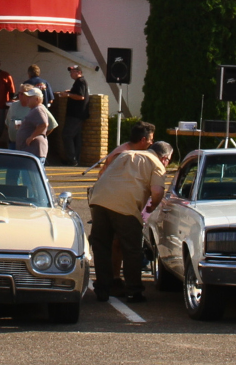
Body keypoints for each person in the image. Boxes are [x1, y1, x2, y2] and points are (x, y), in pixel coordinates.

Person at [88, 140, 172, 303]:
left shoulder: (125, 154)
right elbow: (157, 190)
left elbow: (104, 170)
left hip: (98, 200)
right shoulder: (157, 164)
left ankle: (103, 288)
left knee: (102, 246)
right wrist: (152, 206)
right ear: (165, 158)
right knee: (132, 249)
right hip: (126, 206)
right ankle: (133, 290)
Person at [6, 83, 57, 151]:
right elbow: (8, 123)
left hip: (27, 146)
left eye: (22, 94)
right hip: (13, 144)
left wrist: (34, 137)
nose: (19, 96)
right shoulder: (13, 105)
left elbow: (51, 125)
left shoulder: (37, 108)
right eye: (19, 93)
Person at [57, 65, 89, 166]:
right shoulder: (79, 82)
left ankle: (72, 160)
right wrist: (69, 92)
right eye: (70, 72)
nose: (71, 74)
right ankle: (75, 160)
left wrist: (68, 95)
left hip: (76, 115)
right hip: (77, 114)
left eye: (73, 71)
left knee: (67, 135)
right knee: (76, 137)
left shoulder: (80, 81)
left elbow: (81, 96)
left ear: (79, 72)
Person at [15, 87, 50, 162]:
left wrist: (31, 137)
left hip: (34, 152)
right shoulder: (35, 109)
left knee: (31, 173)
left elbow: (44, 124)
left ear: (37, 99)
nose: (27, 99)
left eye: (30, 98)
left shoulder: (38, 109)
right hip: (31, 151)